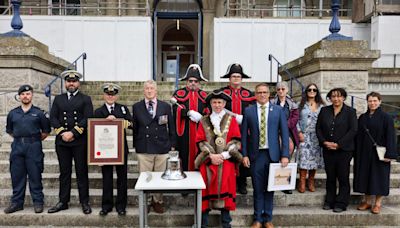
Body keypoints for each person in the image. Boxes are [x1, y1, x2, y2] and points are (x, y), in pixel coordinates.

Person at [241, 83, 289, 228]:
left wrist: (285, 154)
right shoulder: (248, 111)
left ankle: (267, 218)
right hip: (256, 155)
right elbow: (243, 135)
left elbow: (285, 134)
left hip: (273, 155)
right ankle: (257, 219)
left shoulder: (278, 111)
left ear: (269, 94)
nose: (262, 95)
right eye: (259, 92)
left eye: (265, 92)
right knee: (257, 188)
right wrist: (244, 155)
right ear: (255, 94)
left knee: (270, 188)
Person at [195, 90, 243, 228]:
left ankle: (226, 224)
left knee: (225, 193)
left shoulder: (231, 119)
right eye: (214, 102)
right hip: (208, 163)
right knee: (206, 192)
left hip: (226, 163)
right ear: (210, 104)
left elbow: (236, 140)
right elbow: (200, 141)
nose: (217, 105)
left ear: (224, 104)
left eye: (220, 102)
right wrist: (211, 155)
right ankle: (203, 224)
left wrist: (224, 155)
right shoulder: (204, 120)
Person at [48, 70, 93, 214]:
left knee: (81, 172)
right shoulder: (58, 99)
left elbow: (87, 118)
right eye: (69, 81)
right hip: (62, 142)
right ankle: (63, 201)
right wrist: (62, 133)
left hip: (79, 141)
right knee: (64, 172)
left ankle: (84, 202)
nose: (71, 83)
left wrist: (73, 133)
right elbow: (53, 118)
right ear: (65, 83)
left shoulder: (85, 99)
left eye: (74, 81)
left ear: (78, 83)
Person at [4, 85, 51, 214]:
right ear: (19, 96)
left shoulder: (39, 113)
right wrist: (22, 139)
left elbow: (46, 131)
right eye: (23, 94)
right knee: (17, 176)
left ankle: (38, 202)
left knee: (35, 175)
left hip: (34, 146)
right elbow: (10, 130)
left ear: (32, 95)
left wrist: (32, 140)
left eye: (28, 94)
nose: (25, 96)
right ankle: (17, 203)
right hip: (17, 146)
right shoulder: (13, 113)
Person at [132, 80, 176, 214]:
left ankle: (157, 201)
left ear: (156, 91)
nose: (149, 91)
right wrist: (136, 145)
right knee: (145, 177)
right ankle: (145, 202)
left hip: (162, 147)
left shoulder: (165, 106)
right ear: (143, 91)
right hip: (144, 148)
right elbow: (135, 127)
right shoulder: (137, 106)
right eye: (147, 88)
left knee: (160, 177)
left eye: (152, 88)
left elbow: (171, 127)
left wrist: (172, 144)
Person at [354, 92, 397, 214]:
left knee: (379, 177)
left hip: (380, 153)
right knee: (365, 176)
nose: (372, 103)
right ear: (367, 102)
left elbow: (391, 137)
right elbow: (358, 136)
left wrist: (390, 154)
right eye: (370, 101)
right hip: (364, 152)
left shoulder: (386, 117)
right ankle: (367, 201)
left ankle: (377, 204)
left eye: (375, 101)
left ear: (380, 102)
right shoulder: (362, 117)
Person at [316, 88, 357, 213]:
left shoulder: (350, 111)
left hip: (344, 150)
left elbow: (353, 130)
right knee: (330, 177)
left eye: (339, 96)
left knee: (343, 177)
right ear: (330, 98)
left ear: (344, 97)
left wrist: (339, 144)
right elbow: (318, 129)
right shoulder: (324, 110)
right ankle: (329, 201)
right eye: (333, 96)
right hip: (328, 149)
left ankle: (341, 202)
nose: (336, 99)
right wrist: (324, 142)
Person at [94, 83, 132, 216]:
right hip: (105, 150)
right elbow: (94, 131)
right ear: (104, 95)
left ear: (116, 96)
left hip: (120, 149)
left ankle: (121, 206)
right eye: (108, 94)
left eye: (113, 94)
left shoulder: (123, 109)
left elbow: (132, 124)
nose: (110, 96)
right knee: (107, 177)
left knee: (122, 178)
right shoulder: (98, 111)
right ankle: (106, 205)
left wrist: (118, 121)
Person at [219, 63, 255, 195]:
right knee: (229, 154)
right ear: (229, 78)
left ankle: (242, 182)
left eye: (238, 76)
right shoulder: (222, 93)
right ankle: (231, 182)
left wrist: (244, 119)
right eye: (233, 76)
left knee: (243, 154)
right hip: (226, 131)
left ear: (241, 78)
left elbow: (254, 112)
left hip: (244, 130)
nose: (236, 78)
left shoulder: (248, 94)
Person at [172, 64, 209, 172]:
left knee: (200, 155)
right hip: (184, 134)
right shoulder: (178, 94)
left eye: (196, 81)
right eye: (190, 80)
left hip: (200, 132)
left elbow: (209, 111)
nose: (193, 83)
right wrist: (187, 112)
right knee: (183, 154)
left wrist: (202, 117)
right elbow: (175, 109)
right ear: (186, 81)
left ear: (199, 82)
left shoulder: (205, 96)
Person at [270, 81, 299, 194]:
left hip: (288, 131)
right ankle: (274, 181)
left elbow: (295, 118)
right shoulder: (272, 102)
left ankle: (285, 183)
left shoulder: (292, 103)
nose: (281, 91)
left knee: (288, 152)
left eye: (283, 89)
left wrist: (283, 125)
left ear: (287, 90)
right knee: (275, 155)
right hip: (274, 131)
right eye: (278, 89)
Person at [296, 83, 325, 193]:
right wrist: (299, 132)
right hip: (304, 135)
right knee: (304, 157)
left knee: (315, 159)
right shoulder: (300, 104)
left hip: (317, 136)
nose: (312, 91)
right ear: (306, 91)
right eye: (309, 89)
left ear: (317, 92)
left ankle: (311, 181)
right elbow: (296, 120)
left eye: (314, 90)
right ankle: (302, 181)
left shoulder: (322, 106)